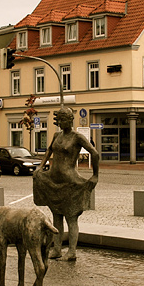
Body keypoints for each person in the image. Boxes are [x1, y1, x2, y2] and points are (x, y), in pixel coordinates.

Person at [33, 107, 100, 261]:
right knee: (56, 216)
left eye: (63, 119)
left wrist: (95, 175)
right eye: (59, 120)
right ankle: (56, 249)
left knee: (71, 217)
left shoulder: (77, 137)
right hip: (53, 180)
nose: (61, 123)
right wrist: (41, 168)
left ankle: (71, 251)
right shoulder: (57, 135)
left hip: (70, 182)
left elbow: (94, 153)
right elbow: (49, 151)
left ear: (70, 120)